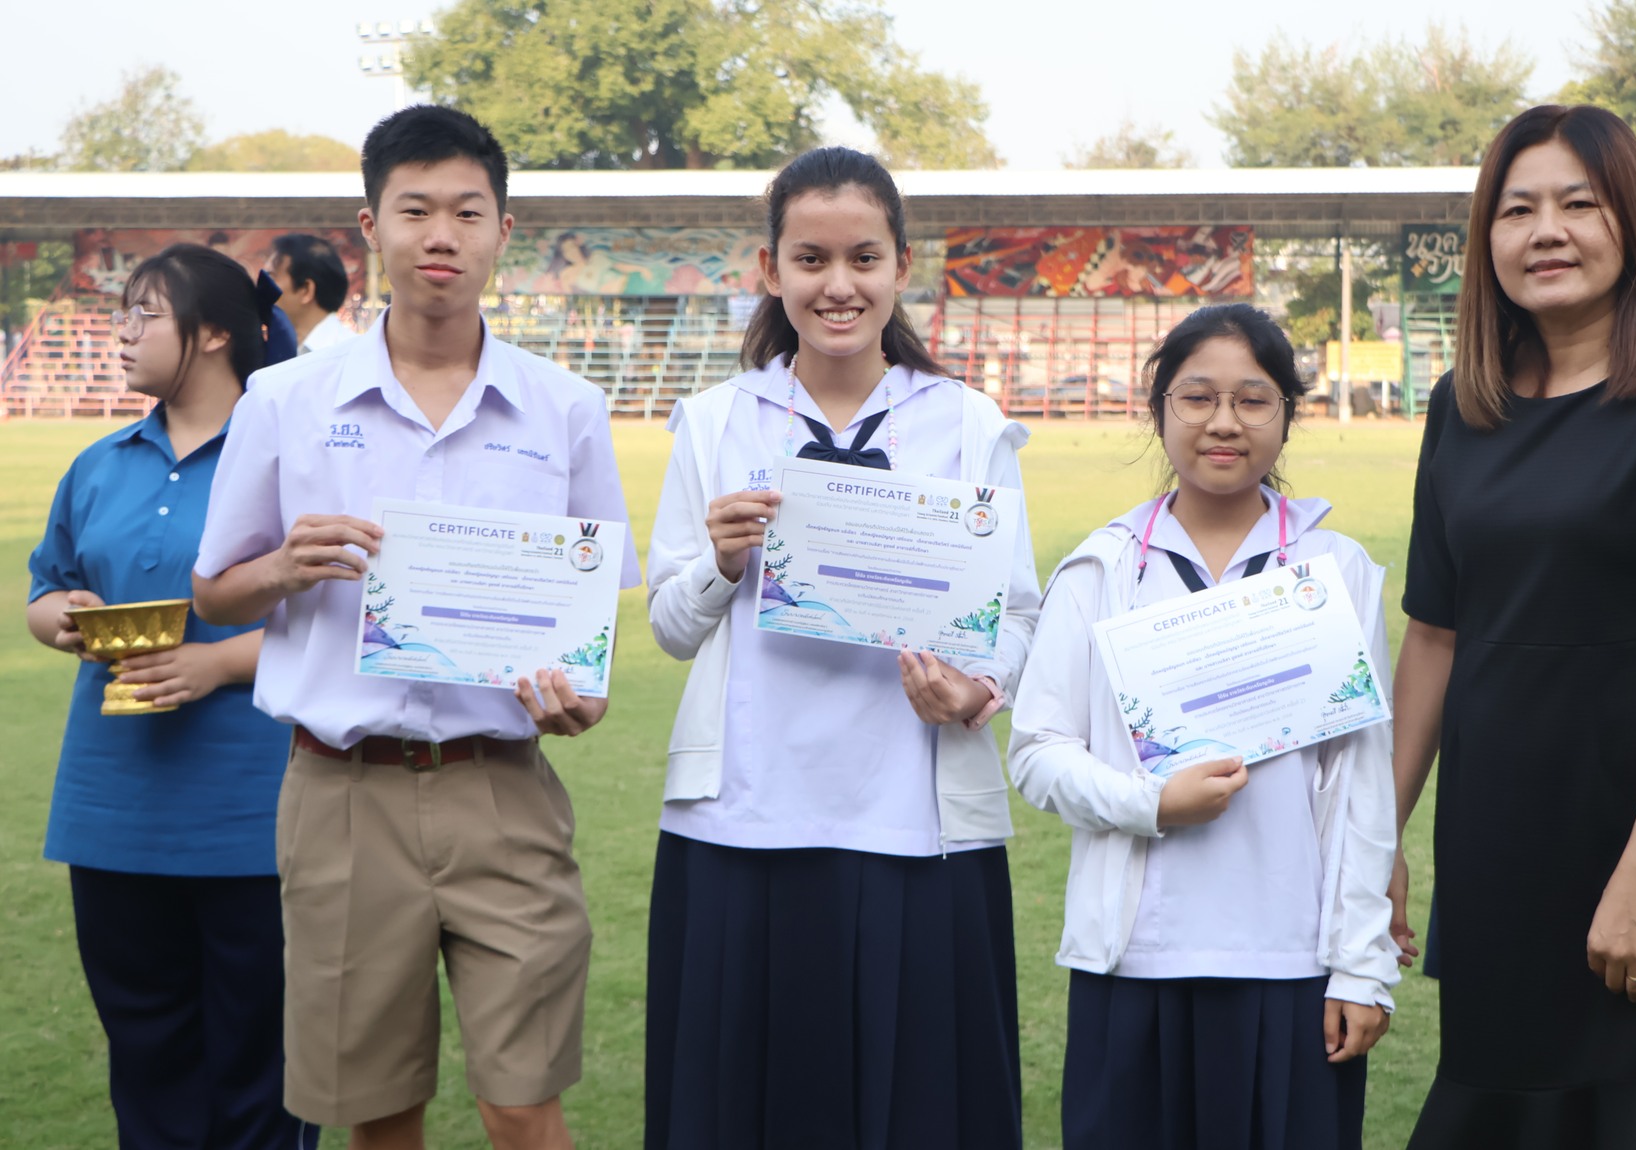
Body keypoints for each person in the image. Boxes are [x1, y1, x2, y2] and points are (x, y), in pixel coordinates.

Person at [191, 105, 637, 1150]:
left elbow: (587, 647)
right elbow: (214, 594)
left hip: (502, 788)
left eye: (468, 213)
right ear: (371, 227)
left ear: (502, 232)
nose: (442, 235)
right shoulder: (284, 400)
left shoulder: (564, 409)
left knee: (522, 1102)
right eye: (416, 209)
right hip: (343, 793)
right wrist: (282, 566)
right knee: (377, 1110)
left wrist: (577, 704)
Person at [642, 145, 1041, 1150]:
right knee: (743, 1109)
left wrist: (976, 691)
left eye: (863, 258)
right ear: (768, 269)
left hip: (914, 822)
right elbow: (671, 627)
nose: (838, 285)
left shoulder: (967, 425)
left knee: (922, 1110)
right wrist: (720, 562)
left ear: (902, 264)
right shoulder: (714, 423)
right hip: (743, 820)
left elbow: (1018, 614)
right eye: (810, 259)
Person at [1391, 104, 1636, 1149]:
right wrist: (1378, 838)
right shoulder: (1459, 407)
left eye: (1577, 203)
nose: (1545, 231)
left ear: (1630, 221)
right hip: (1492, 843)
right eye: (1516, 210)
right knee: (1492, 1101)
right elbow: (1432, 638)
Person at [1009, 302, 1401, 1150]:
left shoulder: (1335, 572)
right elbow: (1037, 753)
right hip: (1133, 966)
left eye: (1253, 399)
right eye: (1196, 398)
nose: (1224, 422)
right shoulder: (1101, 569)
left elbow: (1363, 785)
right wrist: (1152, 803)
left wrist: (1362, 965)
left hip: (1293, 969)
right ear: (1159, 411)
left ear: (1288, 414)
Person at [25, 243, 313, 1148]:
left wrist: (216, 666)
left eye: (142, 314)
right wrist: (63, 616)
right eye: (122, 313)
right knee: (147, 1056)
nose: (121, 332)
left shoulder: (292, 462)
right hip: (112, 811)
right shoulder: (100, 463)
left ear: (216, 332)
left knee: (260, 1066)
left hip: (253, 816)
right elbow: (46, 589)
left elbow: (353, 627)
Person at [267, 233, 354, 353]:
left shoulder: (353, 352)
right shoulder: (277, 351)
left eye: (272, 278)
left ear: (306, 290)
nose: (263, 288)